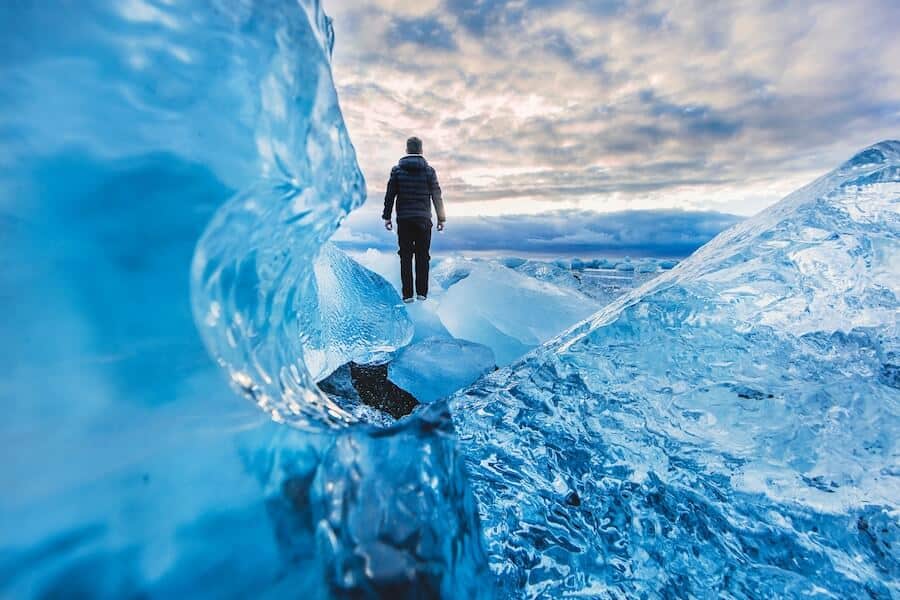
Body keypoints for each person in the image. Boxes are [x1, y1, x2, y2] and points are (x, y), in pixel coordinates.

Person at [382, 136, 446, 302]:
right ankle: (422, 293)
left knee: (405, 256)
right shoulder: (429, 171)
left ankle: (407, 295)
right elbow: (437, 195)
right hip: (424, 220)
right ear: (421, 150)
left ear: (407, 150)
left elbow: (390, 195)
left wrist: (387, 216)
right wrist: (441, 218)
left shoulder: (397, 170)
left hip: (404, 220)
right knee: (423, 256)